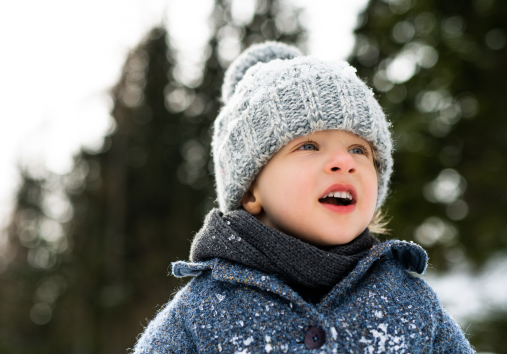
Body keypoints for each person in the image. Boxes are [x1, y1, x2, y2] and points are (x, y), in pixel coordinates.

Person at [131, 42, 473, 353]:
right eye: (308, 146)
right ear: (251, 190)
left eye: (359, 149)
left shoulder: (410, 302)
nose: (345, 162)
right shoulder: (203, 310)